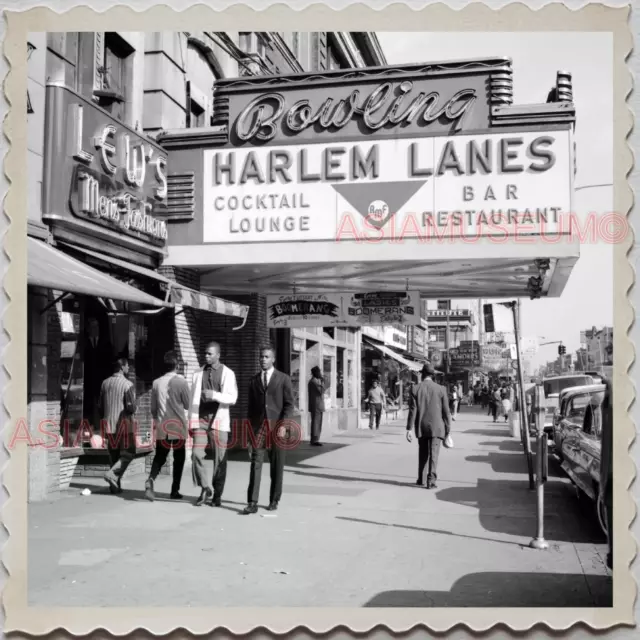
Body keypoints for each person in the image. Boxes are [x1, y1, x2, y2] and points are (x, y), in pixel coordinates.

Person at [243, 345, 294, 515]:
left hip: (277, 428)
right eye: (261, 357)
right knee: (255, 463)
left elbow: (289, 405)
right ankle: (252, 501)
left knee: (276, 465)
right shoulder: (254, 381)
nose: (262, 360)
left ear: (273, 359)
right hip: (259, 428)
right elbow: (250, 409)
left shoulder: (283, 379)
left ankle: (274, 499)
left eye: (266, 357)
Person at [189, 342, 238, 507]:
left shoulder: (228, 373)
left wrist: (215, 395)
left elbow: (232, 398)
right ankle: (205, 487)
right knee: (196, 454)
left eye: (210, 354)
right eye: (205, 353)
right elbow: (192, 400)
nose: (206, 356)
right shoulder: (197, 373)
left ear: (218, 355)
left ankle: (217, 494)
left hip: (218, 419)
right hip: (201, 419)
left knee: (220, 459)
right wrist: (191, 422)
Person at [144, 351, 191, 502]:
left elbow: (153, 408)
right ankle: (174, 490)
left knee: (160, 456)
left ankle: (151, 478)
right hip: (177, 425)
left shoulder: (156, 383)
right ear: (177, 365)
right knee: (179, 457)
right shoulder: (181, 382)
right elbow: (188, 404)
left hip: (162, 425)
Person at [406, 362, 452, 489]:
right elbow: (446, 412)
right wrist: (448, 430)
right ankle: (431, 481)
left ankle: (421, 478)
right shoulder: (441, 389)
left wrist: (409, 429)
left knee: (423, 453)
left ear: (422, 374)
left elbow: (412, 410)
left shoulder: (415, 388)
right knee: (434, 454)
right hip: (437, 427)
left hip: (421, 426)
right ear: (433, 375)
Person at [101, 358, 137, 494]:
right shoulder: (127, 384)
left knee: (114, 455)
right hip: (123, 425)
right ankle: (112, 474)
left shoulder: (104, 383)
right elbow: (131, 408)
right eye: (127, 366)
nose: (128, 368)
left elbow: (100, 406)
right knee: (130, 452)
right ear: (122, 367)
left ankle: (114, 486)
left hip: (108, 424)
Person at [307, 366, 325, 446]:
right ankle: (314, 440)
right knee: (316, 423)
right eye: (319, 372)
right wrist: (323, 382)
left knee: (318, 422)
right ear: (316, 373)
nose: (320, 374)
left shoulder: (315, 381)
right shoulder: (314, 381)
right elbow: (321, 391)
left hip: (318, 405)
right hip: (316, 405)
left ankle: (316, 439)